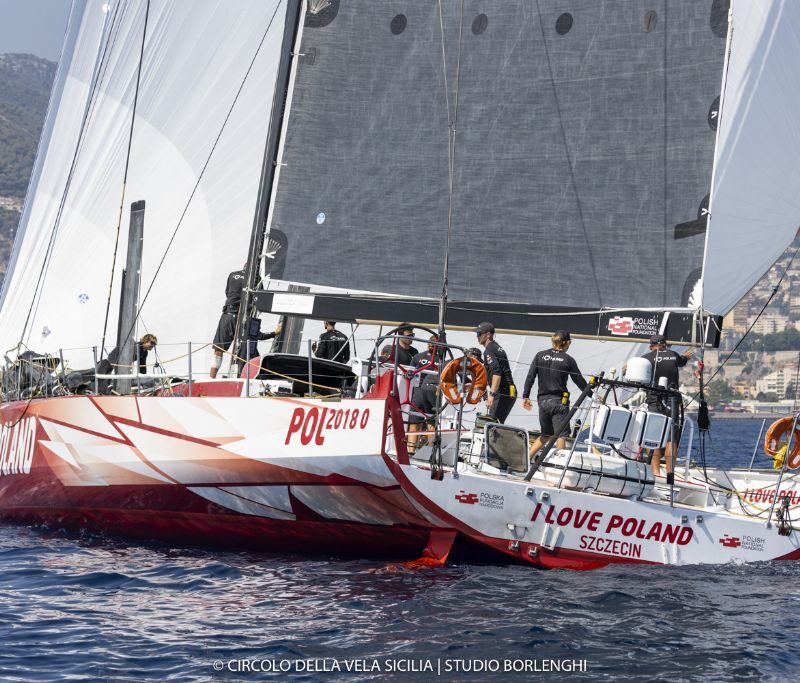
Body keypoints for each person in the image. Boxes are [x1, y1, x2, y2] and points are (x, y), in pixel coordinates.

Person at [522, 330, 587, 456]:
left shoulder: (540, 355)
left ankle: (526, 460)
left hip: (543, 402)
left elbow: (530, 377)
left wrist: (526, 396)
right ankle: (559, 466)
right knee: (560, 436)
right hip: (559, 402)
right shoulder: (568, 360)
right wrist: (593, 395)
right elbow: (579, 381)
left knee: (546, 435)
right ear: (567, 343)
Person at [641, 333, 693, 479]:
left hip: (653, 399)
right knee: (671, 439)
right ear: (665, 344)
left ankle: (656, 472)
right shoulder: (673, 355)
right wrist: (687, 357)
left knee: (653, 435)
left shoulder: (645, 358)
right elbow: (682, 360)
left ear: (651, 346)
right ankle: (670, 474)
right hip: (672, 399)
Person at [476, 322, 516, 423]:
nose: (477, 336)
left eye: (479, 334)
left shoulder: (489, 350)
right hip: (508, 390)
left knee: (492, 423)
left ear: (488, 334)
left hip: (503, 391)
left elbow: (497, 373)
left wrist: (492, 394)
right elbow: (489, 372)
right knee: (495, 423)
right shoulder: (496, 347)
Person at [210, 266, 246, 378]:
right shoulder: (256, 279)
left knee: (218, 349)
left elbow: (227, 292)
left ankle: (212, 378)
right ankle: (238, 376)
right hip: (243, 318)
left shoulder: (233, 274)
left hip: (228, 314)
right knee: (242, 350)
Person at [407, 335, 440, 454]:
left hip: (418, 392)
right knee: (431, 422)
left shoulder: (418, 357)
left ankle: (410, 451)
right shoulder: (442, 360)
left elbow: (409, 374)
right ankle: (430, 452)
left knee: (414, 422)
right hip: (432, 392)